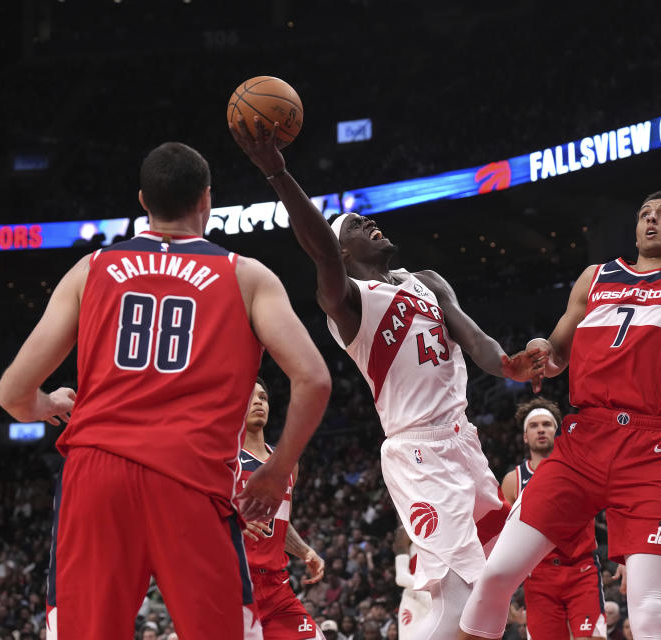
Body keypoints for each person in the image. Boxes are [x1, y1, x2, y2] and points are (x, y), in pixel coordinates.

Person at [456, 45, 661, 640]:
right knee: (496, 573)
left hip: (647, 448)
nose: (650, 219)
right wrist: (538, 352)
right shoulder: (595, 277)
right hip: (581, 440)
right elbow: (554, 352)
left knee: (649, 608)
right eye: (643, 213)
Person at [0, 142, 332, 639]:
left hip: (96, 473)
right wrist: (275, 473)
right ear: (207, 200)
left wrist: (50, 404)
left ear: (142, 200)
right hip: (192, 477)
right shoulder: (247, 276)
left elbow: (13, 393)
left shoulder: (91, 270)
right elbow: (314, 379)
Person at [230, 117, 540, 640]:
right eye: (354, 226)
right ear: (344, 253)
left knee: (497, 584)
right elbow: (321, 252)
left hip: (463, 440)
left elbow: (479, 344)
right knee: (473, 587)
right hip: (417, 452)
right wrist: (278, 173)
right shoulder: (348, 304)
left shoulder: (429, 282)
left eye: (367, 219)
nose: (369, 224)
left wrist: (510, 364)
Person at [500, 397, 606, 640]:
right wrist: (502, 592)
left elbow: (614, 505)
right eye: (534, 425)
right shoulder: (513, 480)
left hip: (582, 569)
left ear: (558, 433)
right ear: (525, 436)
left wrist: (624, 558)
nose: (541, 429)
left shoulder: (581, 468)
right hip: (539, 576)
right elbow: (501, 538)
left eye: (547, 424)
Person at [240, 378, 327, 640]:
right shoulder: (222, 458)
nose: (258, 402)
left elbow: (279, 522)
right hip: (234, 585)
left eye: (263, 398)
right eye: (250, 397)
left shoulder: (287, 462)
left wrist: (304, 550)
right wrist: (235, 519)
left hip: (277, 588)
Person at [393, 525, 432, 640]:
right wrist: (431, 588)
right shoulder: (405, 529)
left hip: (441, 599)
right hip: (416, 598)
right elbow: (401, 578)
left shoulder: (447, 526)